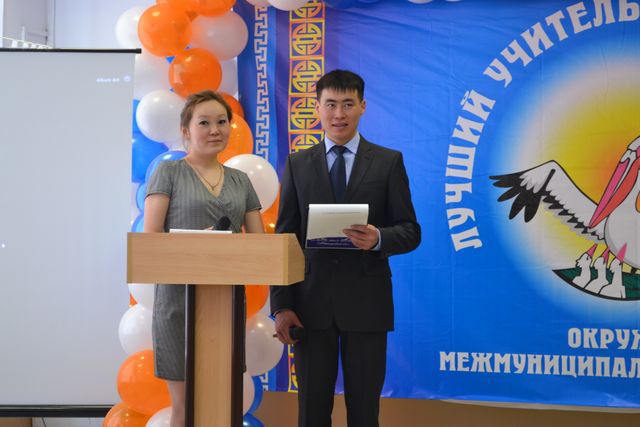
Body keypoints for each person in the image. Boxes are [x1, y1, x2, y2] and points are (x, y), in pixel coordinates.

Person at [271, 70, 421, 427]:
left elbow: (410, 231)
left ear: (363, 106)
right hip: (309, 306)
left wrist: (378, 238)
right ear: (317, 108)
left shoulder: (388, 162)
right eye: (331, 104)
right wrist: (281, 306)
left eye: (348, 104)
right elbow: (285, 239)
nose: (339, 114)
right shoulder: (298, 164)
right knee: (311, 411)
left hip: (367, 304)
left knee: (365, 411)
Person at [144, 90, 264, 427]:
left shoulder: (241, 181)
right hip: (178, 304)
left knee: (221, 404)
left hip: (226, 305)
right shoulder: (168, 173)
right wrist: (197, 244)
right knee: (185, 407)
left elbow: (260, 246)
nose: (215, 130)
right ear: (186, 130)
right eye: (204, 123)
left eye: (222, 122)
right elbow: (150, 240)